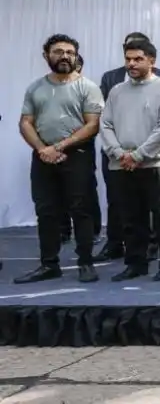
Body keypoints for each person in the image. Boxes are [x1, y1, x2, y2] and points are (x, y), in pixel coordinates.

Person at [14, 34, 103, 284]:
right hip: (43, 157)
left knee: (81, 209)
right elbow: (25, 123)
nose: (65, 56)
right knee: (46, 211)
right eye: (58, 51)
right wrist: (43, 149)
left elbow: (92, 125)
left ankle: (86, 263)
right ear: (46, 56)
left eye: (70, 52)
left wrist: (59, 146)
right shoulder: (35, 87)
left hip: (77, 156)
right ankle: (49, 264)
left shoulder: (88, 86)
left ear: (76, 56)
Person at [99, 38, 160, 282]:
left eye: (138, 59)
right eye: (128, 59)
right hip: (122, 164)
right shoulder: (116, 91)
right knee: (131, 218)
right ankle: (136, 264)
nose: (131, 64)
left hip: (155, 164)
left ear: (152, 61)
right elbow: (105, 124)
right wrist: (117, 153)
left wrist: (138, 155)